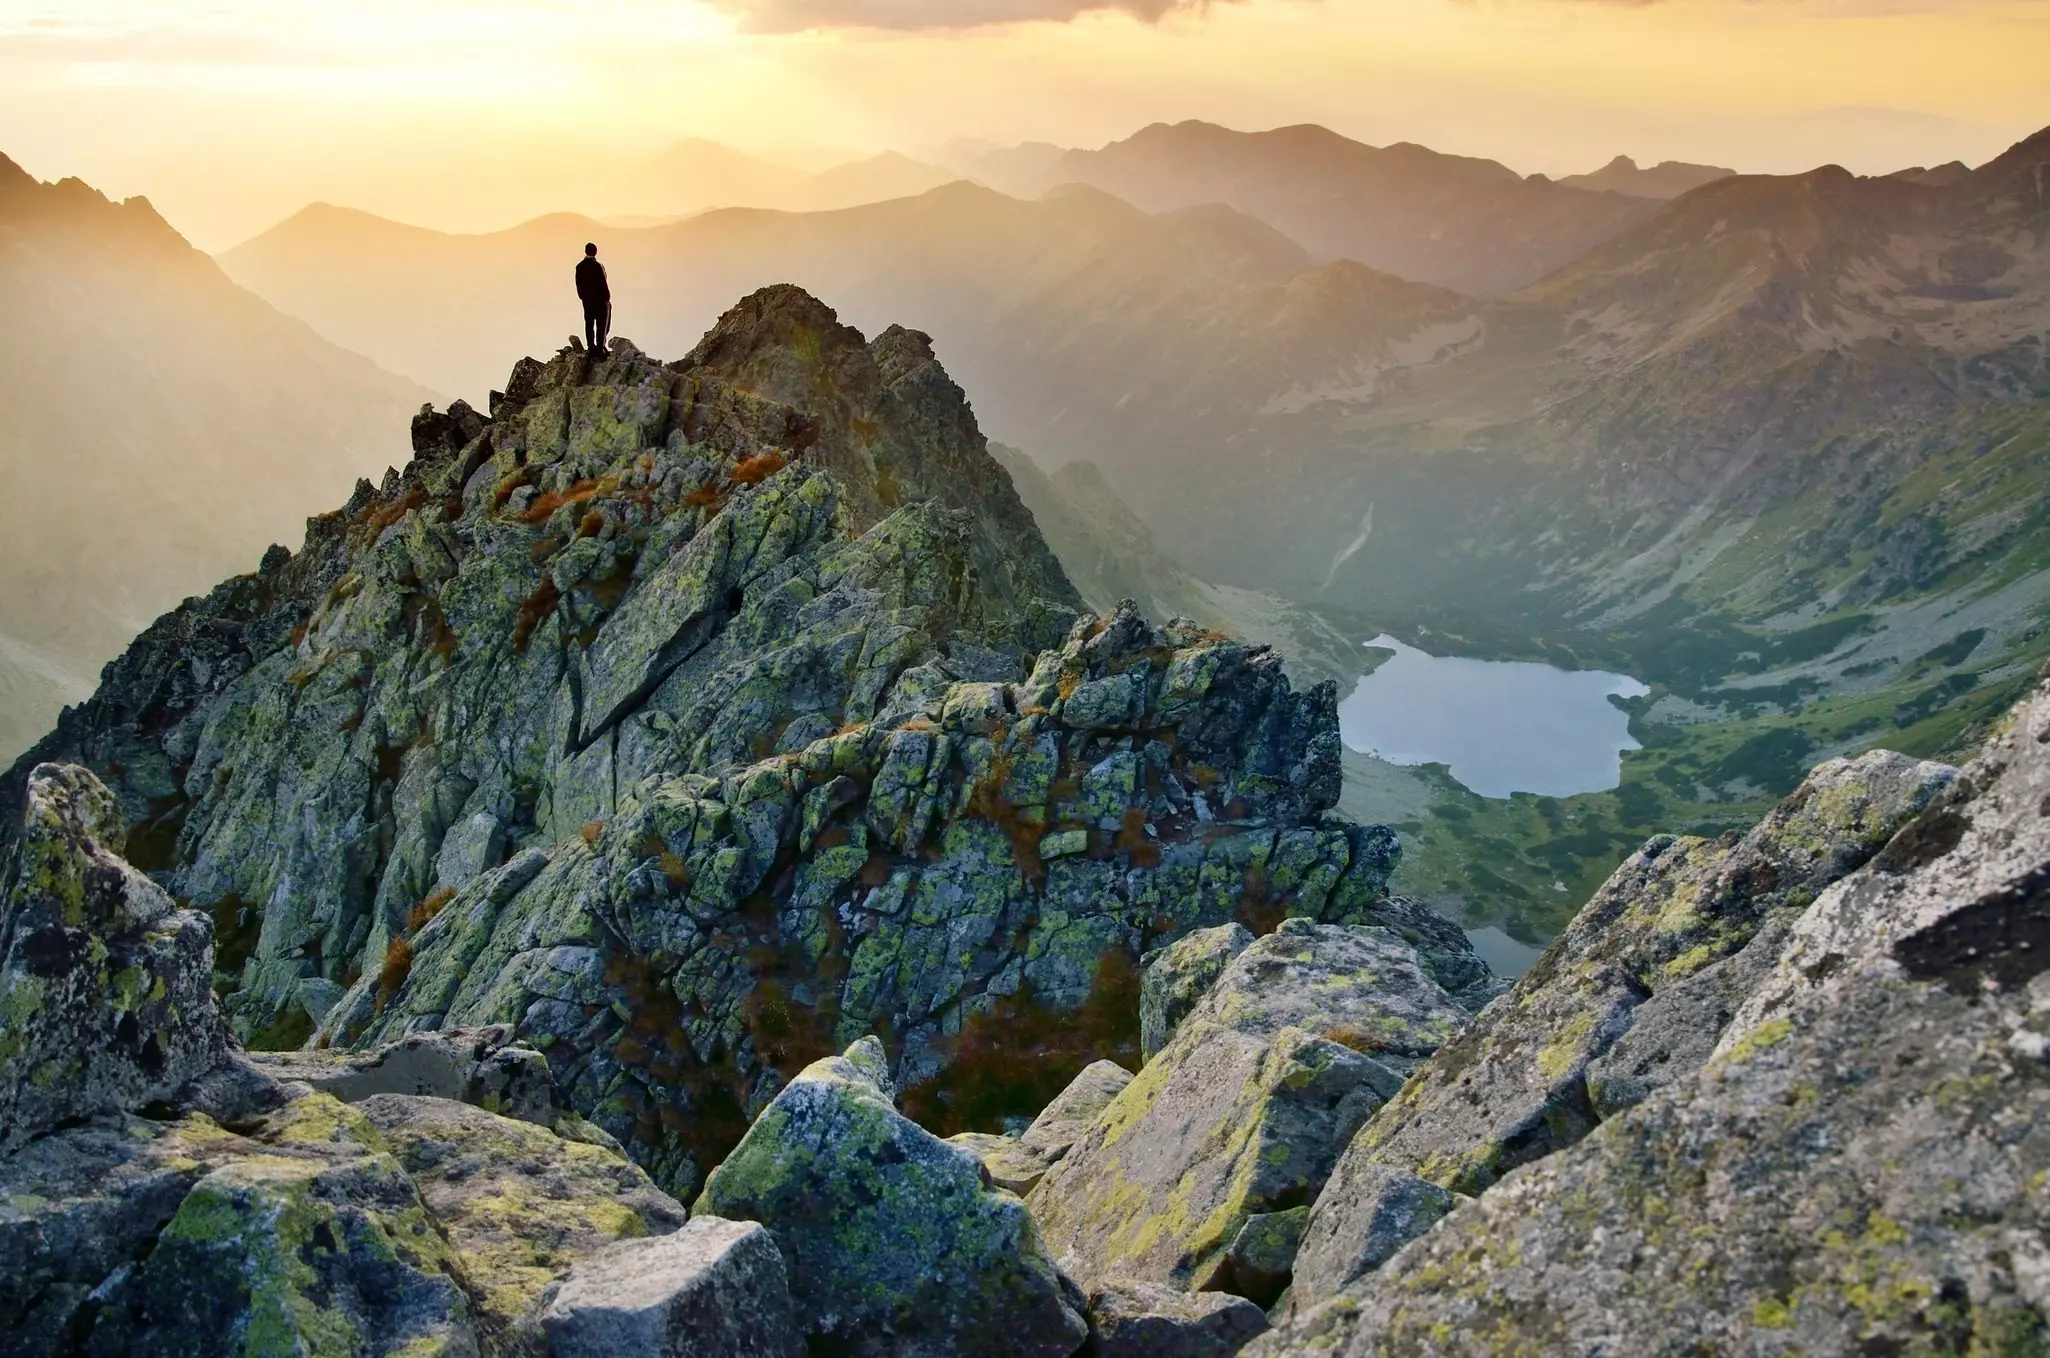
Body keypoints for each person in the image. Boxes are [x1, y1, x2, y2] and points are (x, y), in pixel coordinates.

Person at [576, 242, 611, 357]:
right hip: (600, 300)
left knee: (589, 323)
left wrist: (583, 298)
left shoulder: (579, 266)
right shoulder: (598, 266)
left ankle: (591, 347)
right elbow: (603, 283)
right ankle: (600, 347)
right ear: (595, 251)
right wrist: (607, 298)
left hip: (587, 301)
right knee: (602, 324)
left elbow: (578, 284)